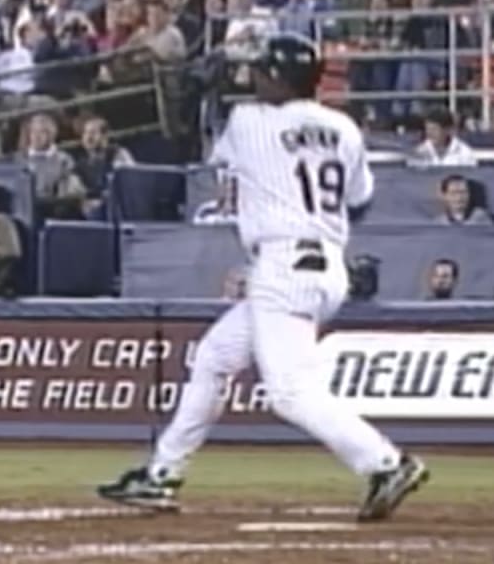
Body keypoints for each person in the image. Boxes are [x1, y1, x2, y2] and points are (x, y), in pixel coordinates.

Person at [97, 33, 429, 522]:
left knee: (290, 391)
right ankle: (161, 473)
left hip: (283, 264)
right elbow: (359, 202)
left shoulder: (248, 121)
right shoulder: (344, 127)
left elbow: (188, 134)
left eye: (260, 71)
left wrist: (204, 88)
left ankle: (385, 463)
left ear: (277, 77)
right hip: (324, 260)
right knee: (214, 357)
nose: (251, 78)